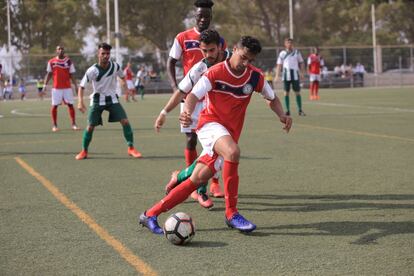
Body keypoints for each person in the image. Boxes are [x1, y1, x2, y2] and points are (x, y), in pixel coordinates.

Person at [139, 36, 292, 235]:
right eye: (243, 57)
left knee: (197, 179)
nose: (245, 64)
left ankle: (150, 214)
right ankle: (232, 214)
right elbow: (193, 95)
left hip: (228, 133)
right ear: (235, 49)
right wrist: (186, 111)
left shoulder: (255, 76)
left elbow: (271, 98)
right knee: (233, 152)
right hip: (210, 125)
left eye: (250, 61)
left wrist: (282, 114)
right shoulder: (215, 72)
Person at [155, 29, 228, 209]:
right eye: (203, 51)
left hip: (228, 115)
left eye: (211, 50)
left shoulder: (232, 61)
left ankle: (180, 177)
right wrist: (164, 113)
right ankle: (202, 191)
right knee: (217, 154)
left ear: (220, 47)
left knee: (215, 155)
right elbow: (181, 91)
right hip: (208, 114)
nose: (207, 55)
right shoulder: (201, 67)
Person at [167, 0, 227, 170]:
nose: (203, 19)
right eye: (200, 16)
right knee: (191, 139)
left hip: (211, 96)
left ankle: (214, 183)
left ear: (211, 17)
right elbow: (171, 62)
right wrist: (174, 87)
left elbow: (223, 66)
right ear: (195, 15)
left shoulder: (219, 40)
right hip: (189, 95)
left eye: (206, 16)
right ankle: (191, 178)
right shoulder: (182, 37)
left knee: (215, 141)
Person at [75, 43, 142, 160]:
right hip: (97, 100)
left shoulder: (115, 66)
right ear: (98, 54)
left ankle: (131, 148)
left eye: (108, 53)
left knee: (125, 121)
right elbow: (81, 86)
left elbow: (122, 77)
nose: (106, 56)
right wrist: (80, 102)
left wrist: (125, 88)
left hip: (112, 99)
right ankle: (84, 151)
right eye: (103, 53)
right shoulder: (92, 70)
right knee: (90, 126)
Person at [43, 45, 79, 132]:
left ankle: (74, 124)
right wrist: (44, 85)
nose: (61, 50)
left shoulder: (68, 61)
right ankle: (54, 125)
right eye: (59, 49)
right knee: (55, 106)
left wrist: (76, 85)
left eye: (62, 49)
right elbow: (49, 74)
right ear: (56, 51)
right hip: (56, 88)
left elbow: (72, 74)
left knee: (70, 105)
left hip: (67, 88)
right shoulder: (51, 62)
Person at [275, 38, 306, 116]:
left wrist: (302, 73)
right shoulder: (282, 53)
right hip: (286, 76)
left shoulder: (297, 52)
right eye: (288, 43)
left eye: (290, 43)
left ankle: (300, 110)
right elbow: (279, 65)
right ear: (285, 44)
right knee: (286, 93)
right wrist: (277, 76)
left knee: (297, 92)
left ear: (292, 44)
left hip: (295, 75)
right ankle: (287, 110)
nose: (289, 44)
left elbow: (301, 62)